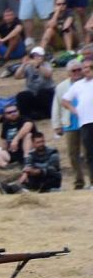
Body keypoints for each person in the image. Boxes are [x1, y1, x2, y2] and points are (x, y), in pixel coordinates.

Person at [50, 60, 85, 189]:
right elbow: (56, 106)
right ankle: (79, 181)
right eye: (73, 70)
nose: (76, 73)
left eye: (78, 70)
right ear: (68, 73)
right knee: (72, 154)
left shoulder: (88, 84)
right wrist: (57, 125)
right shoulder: (61, 87)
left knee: (89, 153)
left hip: (87, 122)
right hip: (70, 124)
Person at [0, 130, 61, 194]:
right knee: (26, 175)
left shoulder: (53, 152)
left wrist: (37, 171)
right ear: (33, 144)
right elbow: (28, 164)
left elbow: (52, 168)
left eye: (42, 141)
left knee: (50, 173)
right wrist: (26, 172)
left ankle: (21, 189)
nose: (41, 144)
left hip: (51, 179)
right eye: (38, 142)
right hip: (37, 179)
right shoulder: (31, 154)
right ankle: (11, 188)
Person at [61, 58, 93, 188]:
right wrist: (74, 110)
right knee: (90, 154)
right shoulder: (78, 85)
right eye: (85, 68)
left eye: (89, 67)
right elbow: (65, 100)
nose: (87, 70)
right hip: (86, 122)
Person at [13, 46, 55, 120]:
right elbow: (17, 76)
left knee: (43, 93)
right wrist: (23, 64)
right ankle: (25, 115)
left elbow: (48, 75)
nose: (36, 58)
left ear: (43, 57)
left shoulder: (46, 65)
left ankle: (46, 113)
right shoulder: (29, 67)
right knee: (22, 95)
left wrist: (38, 66)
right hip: (32, 93)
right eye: (34, 56)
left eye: (39, 56)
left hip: (46, 92)